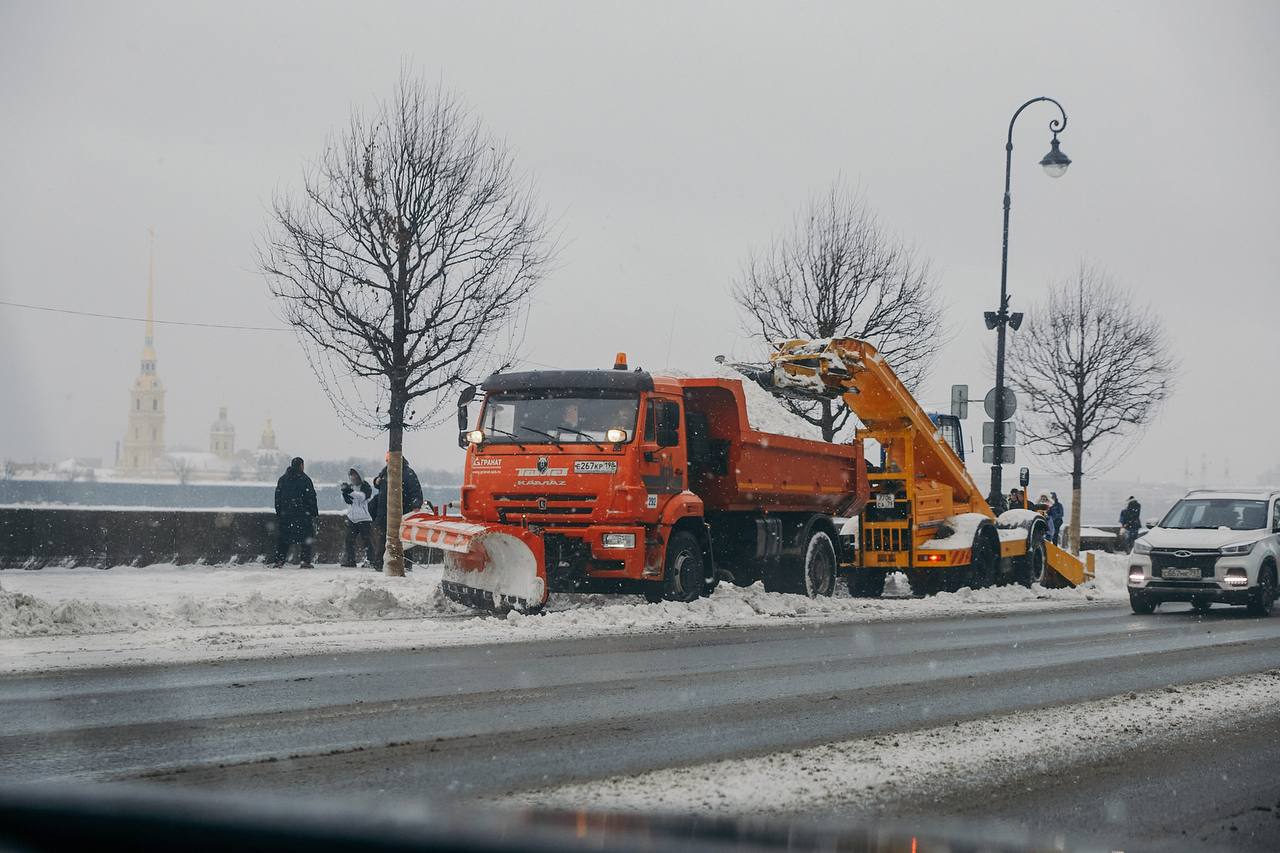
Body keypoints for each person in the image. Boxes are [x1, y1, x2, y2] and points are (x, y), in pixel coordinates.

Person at [371, 454, 424, 572]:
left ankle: (404, 563)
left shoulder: (407, 473)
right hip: (384, 512)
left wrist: (416, 505)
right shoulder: (386, 471)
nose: (387, 463)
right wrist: (376, 481)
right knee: (383, 539)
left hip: (401, 511)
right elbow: (377, 484)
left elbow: (416, 491)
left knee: (403, 539)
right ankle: (380, 563)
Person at [273, 457, 318, 568]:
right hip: (302, 515)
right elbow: (311, 497)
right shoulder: (305, 479)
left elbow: (277, 497)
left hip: (286, 515)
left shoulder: (283, 479)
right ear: (302, 465)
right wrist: (314, 513)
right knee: (306, 538)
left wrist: (279, 512)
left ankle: (279, 561)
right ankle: (305, 561)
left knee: (284, 539)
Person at [340, 468, 375, 568]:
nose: (353, 478)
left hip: (364, 519)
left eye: (355, 475)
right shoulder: (351, 487)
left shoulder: (366, 487)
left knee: (367, 541)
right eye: (351, 475)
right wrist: (344, 493)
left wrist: (349, 492)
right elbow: (347, 500)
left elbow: (362, 497)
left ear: (359, 476)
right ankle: (350, 560)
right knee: (349, 540)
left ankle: (371, 560)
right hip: (352, 518)